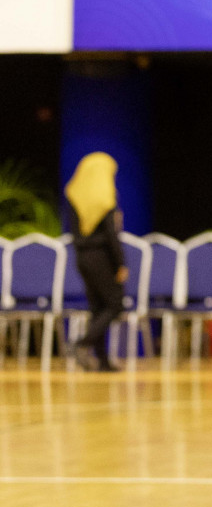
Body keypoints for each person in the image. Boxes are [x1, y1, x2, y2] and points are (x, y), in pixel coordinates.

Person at [64, 151, 127, 372]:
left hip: (82, 258)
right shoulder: (104, 198)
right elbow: (112, 236)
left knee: (98, 308)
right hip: (102, 258)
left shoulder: (74, 195)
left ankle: (103, 361)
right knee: (114, 305)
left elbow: (76, 235)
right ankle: (82, 343)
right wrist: (121, 264)